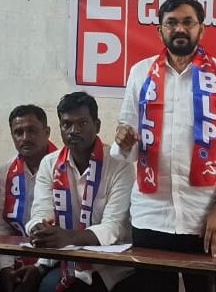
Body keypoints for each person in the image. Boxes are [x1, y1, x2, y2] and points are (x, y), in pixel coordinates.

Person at [111, 0, 216, 291]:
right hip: (150, 215)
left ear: (202, 29)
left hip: (204, 216)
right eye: (171, 23)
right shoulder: (140, 73)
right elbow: (129, 149)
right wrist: (123, 140)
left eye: (188, 22)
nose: (180, 29)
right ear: (159, 30)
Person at [28, 92, 135, 292]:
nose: (73, 131)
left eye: (82, 123)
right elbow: (40, 212)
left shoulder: (119, 165)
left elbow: (113, 228)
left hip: (108, 264)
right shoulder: (50, 164)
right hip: (65, 258)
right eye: (66, 124)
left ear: (97, 125)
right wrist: (39, 229)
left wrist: (68, 237)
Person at [0, 105, 57, 292]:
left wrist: (39, 267)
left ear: (47, 132)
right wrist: (5, 268)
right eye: (18, 132)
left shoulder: (63, 168)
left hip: (55, 257)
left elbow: (70, 227)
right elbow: (0, 225)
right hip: (14, 253)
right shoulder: (6, 171)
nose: (25, 138)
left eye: (32, 130)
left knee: (48, 287)